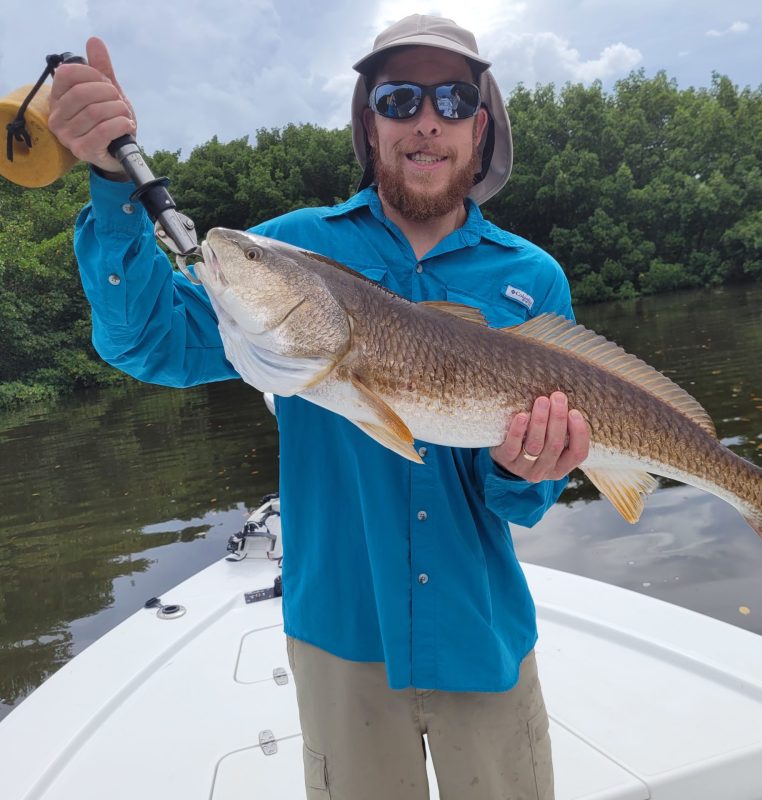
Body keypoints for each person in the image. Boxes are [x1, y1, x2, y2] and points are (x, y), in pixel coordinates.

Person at [49, 13, 590, 800]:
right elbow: (151, 341)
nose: (426, 120)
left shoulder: (532, 279)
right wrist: (110, 186)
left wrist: (528, 469)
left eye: (452, 98)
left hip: (483, 633)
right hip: (339, 636)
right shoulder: (292, 247)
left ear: (481, 125)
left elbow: (524, 500)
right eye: (399, 98)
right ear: (370, 125)